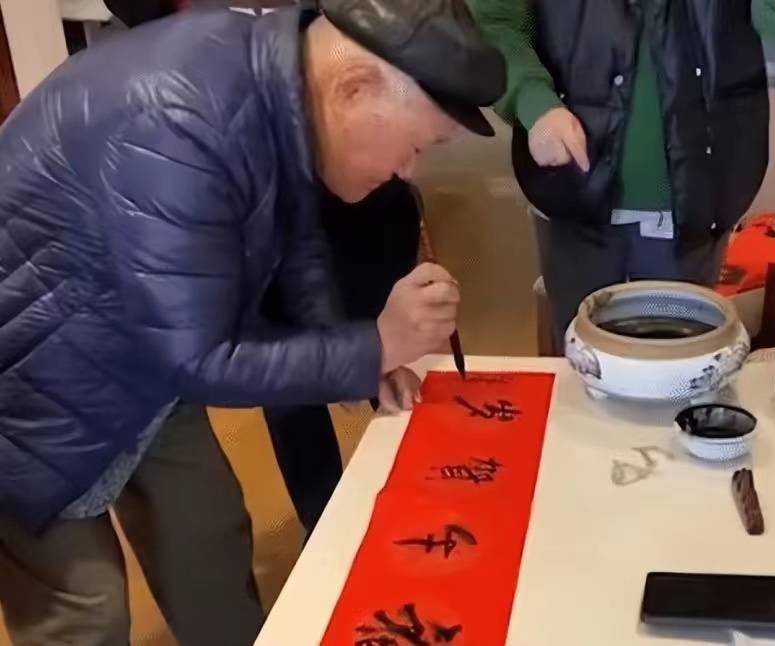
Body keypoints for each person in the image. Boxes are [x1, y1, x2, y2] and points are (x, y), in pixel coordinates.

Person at [0, 1, 505, 644]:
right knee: (84, 607)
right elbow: (200, 359)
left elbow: (296, 244)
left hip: (138, 349)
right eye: (415, 147)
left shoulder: (271, 79)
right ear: (354, 88)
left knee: (205, 538)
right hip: (31, 380)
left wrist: (354, 355)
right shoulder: (178, 121)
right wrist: (369, 346)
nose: (409, 172)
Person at [104, 0, 430, 533]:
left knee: (370, 341)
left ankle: (417, 494)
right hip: (248, 186)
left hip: (342, 168)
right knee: (292, 390)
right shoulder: (181, 113)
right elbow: (207, 356)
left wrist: (366, 353)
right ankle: (326, 526)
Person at [471, 0, 771, 347]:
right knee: (584, 363)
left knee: (677, 365)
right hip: (572, 198)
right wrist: (533, 102)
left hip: (696, 201)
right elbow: (492, 22)